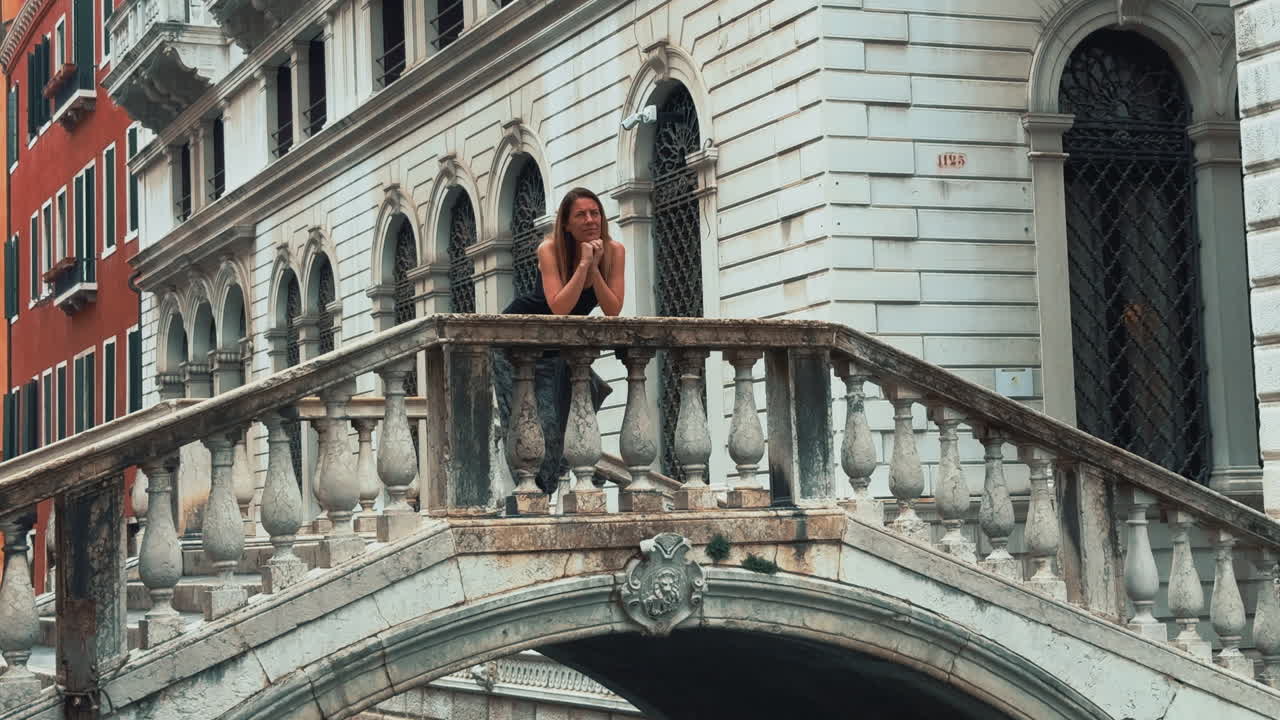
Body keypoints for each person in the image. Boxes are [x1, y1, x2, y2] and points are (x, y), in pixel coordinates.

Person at [492, 187, 626, 493]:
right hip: (519, 341)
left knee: (569, 414)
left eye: (595, 213)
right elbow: (559, 308)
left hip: (560, 347)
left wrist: (596, 269)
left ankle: (545, 483)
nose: (591, 220)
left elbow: (613, 308)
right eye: (581, 214)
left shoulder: (614, 251)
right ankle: (533, 491)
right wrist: (582, 267)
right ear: (566, 223)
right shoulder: (549, 250)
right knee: (529, 420)